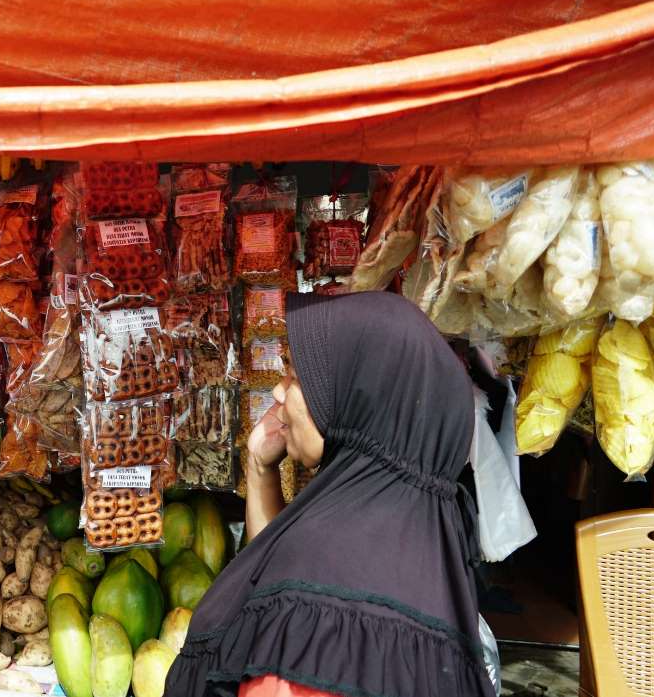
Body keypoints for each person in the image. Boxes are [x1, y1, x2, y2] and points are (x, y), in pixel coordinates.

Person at [164, 291, 495, 697]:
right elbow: (273, 579)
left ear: (360, 399)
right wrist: (260, 467)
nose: (278, 394)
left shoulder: (324, 601)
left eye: (297, 379)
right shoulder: (430, 545)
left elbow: (288, 615)